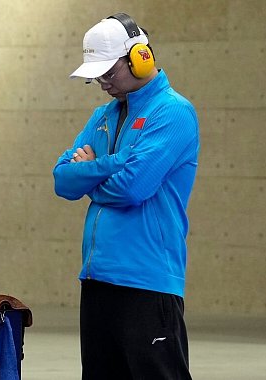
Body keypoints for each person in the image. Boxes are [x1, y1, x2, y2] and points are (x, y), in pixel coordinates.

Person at [53, 13, 198, 380]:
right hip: (97, 279)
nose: (102, 83)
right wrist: (113, 164)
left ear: (140, 57)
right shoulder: (103, 115)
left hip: (146, 281)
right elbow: (63, 181)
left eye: (108, 73)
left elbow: (134, 187)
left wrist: (93, 171)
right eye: (96, 76)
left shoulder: (173, 113)